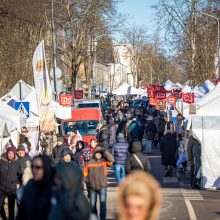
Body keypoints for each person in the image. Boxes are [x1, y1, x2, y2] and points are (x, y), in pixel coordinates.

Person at [16, 155, 52, 220]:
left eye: (38, 167)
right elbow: (21, 212)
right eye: (32, 167)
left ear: (46, 168)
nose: (34, 170)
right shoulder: (30, 185)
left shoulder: (53, 188)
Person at [83, 147, 114, 220]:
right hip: (92, 187)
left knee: (103, 204)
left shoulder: (104, 161)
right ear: (94, 154)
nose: (98, 154)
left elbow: (111, 160)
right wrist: (87, 182)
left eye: (100, 153)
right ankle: (95, 218)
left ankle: (103, 218)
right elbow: (84, 174)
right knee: (92, 205)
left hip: (102, 186)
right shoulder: (89, 162)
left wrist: (104, 151)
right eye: (97, 153)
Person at [0, 147, 21, 220]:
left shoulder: (17, 162)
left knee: (11, 208)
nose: (10, 155)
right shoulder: (2, 161)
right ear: (7, 153)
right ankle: (4, 218)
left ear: (14, 154)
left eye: (12, 153)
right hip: (1, 188)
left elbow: (20, 174)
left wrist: (18, 182)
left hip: (12, 189)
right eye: (9, 153)